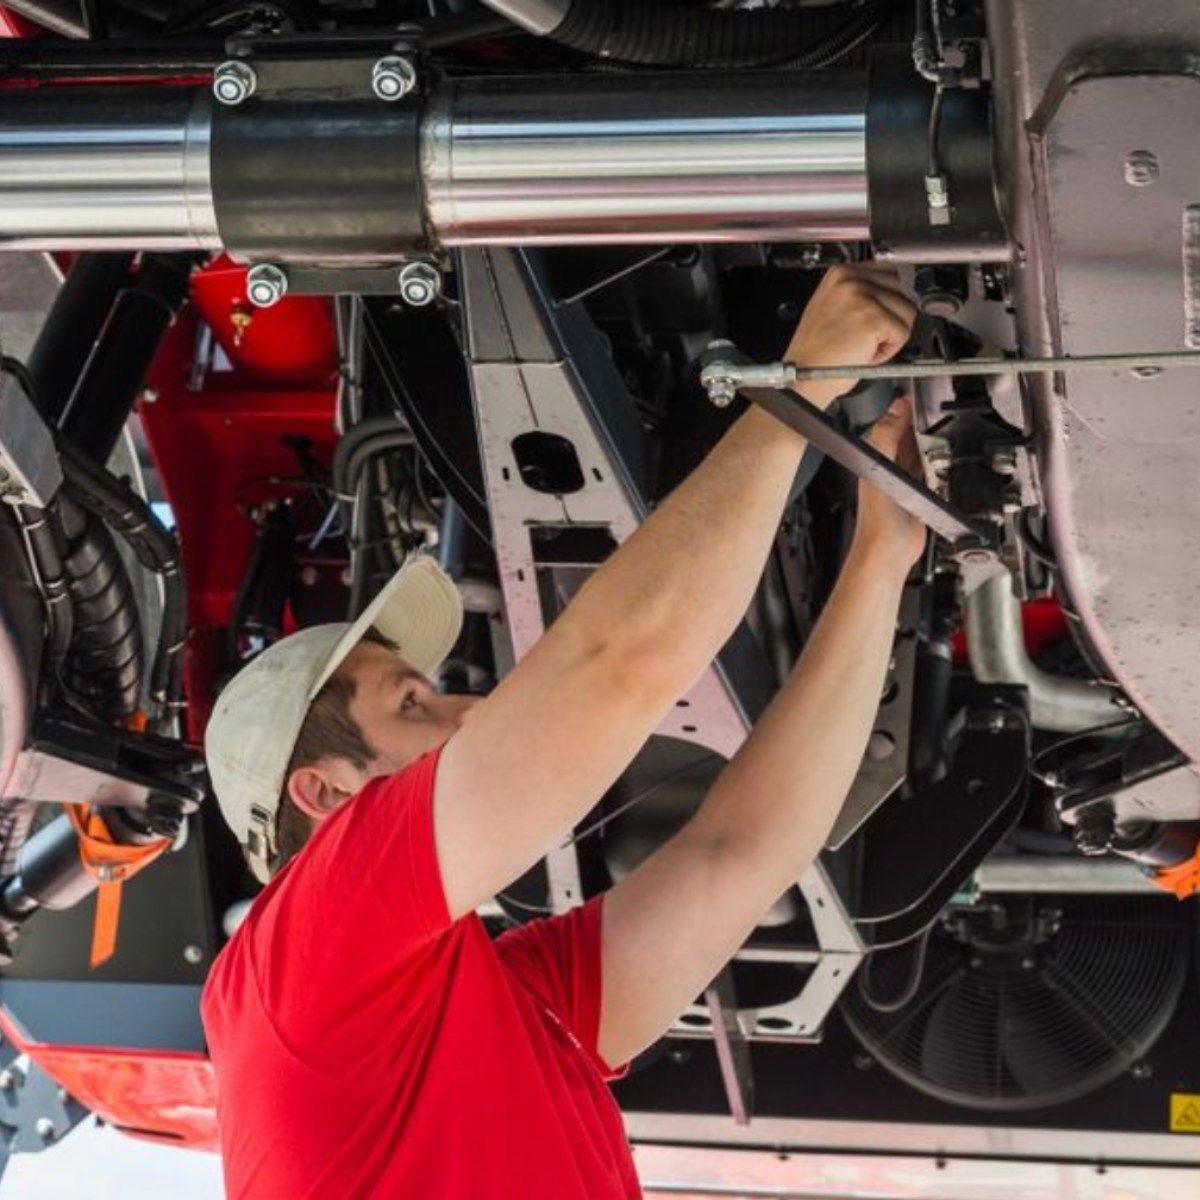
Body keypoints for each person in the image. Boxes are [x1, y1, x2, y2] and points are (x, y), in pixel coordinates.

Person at [201, 264, 921, 1199]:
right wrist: (808, 403)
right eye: (413, 704)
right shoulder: (292, 965)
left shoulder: (469, 1001)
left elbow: (734, 851)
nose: (472, 709)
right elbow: (628, 678)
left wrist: (870, 536)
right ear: (325, 793)